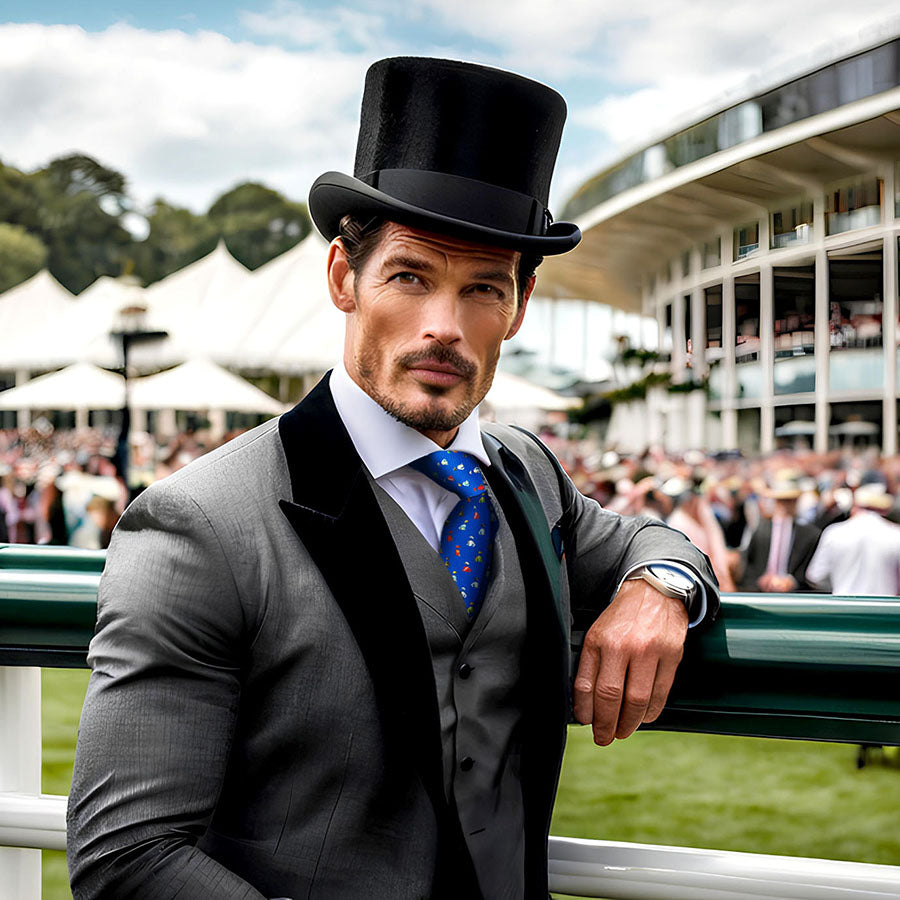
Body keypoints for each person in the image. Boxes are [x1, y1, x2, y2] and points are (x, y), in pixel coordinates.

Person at [67, 57, 719, 900]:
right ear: (344, 277)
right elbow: (128, 858)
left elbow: (650, 538)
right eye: (410, 276)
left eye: (482, 287)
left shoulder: (526, 472)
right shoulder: (201, 523)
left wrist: (656, 587)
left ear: (519, 305)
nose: (444, 328)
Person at [806, 484, 900, 596]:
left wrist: (839, 585)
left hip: (844, 606)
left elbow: (816, 576)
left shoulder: (834, 532)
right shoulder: (895, 534)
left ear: (854, 506)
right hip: (885, 608)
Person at [739, 479, 821, 593]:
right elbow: (748, 564)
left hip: (795, 595)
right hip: (761, 592)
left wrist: (792, 581)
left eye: (789, 501)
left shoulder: (809, 534)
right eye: (781, 501)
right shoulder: (761, 530)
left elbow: (812, 571)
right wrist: (760, 580)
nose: (785, 506)